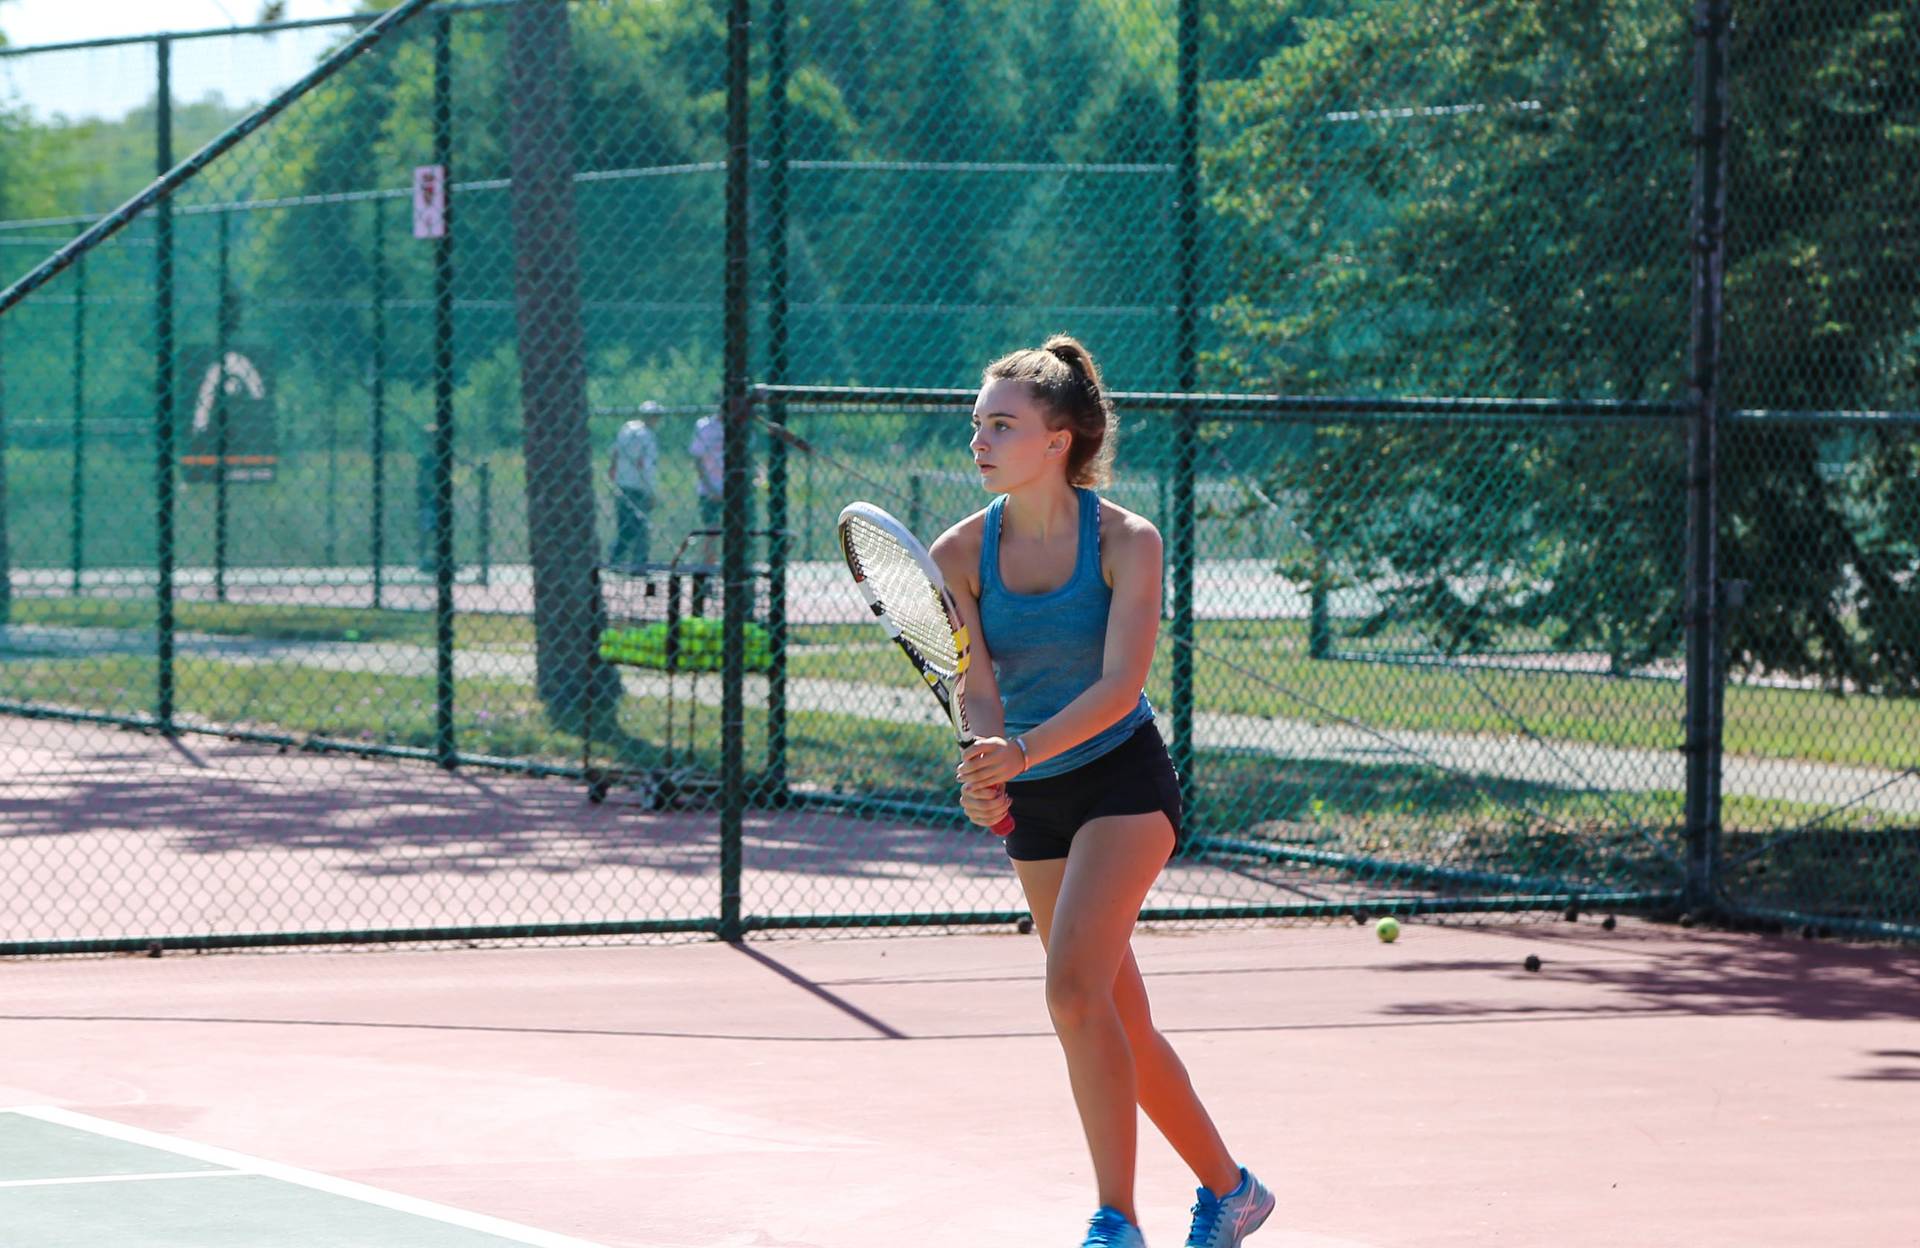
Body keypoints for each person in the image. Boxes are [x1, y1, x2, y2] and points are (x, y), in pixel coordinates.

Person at [935, 336, 1273, 1248]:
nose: (982, 438)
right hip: (1034, 799)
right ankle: (1233, 1191)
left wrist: (1022, 750)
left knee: (1073, 992)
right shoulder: (958, 554)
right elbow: (976, 689)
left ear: (1060, 439)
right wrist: (983, 763)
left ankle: (1115, 1220)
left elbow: (1121, 685)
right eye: (978, 422)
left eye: (1003, 424)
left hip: (1124, 781)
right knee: (1117, 1017)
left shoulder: (1128, 540)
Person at [607, 405, 660, 570]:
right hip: (639, 486)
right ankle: (639, 565)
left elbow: (614, 452)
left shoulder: (627, 429)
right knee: (641, 528)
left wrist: (613, 473)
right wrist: (650, 489)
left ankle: (615, 560)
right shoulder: (646, 435)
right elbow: (643, 464)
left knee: (626, 526)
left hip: (623, 483)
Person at [687, 410, 725, 569]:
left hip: (734, 487)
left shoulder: (742, 424)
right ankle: (708, 571)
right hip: (710, 488)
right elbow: (698, 460)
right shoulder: (705, 426)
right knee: (712, 531)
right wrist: (711, 489)